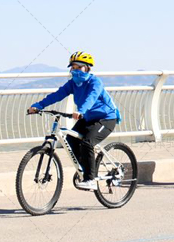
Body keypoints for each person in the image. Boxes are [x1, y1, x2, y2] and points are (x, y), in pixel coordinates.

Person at [27, 51, 121, 190]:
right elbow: (57, 95)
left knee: (87, 142)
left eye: (79, 67)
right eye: (73, 67)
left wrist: (81, 111)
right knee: (71, 139)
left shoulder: (95, 82)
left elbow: (91, 98)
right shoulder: (72, 84)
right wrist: (39, 105)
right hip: (88, 118)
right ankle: (85, 170)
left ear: (87, 68)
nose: (75, 70)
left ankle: (91, 179)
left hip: (106, 118)